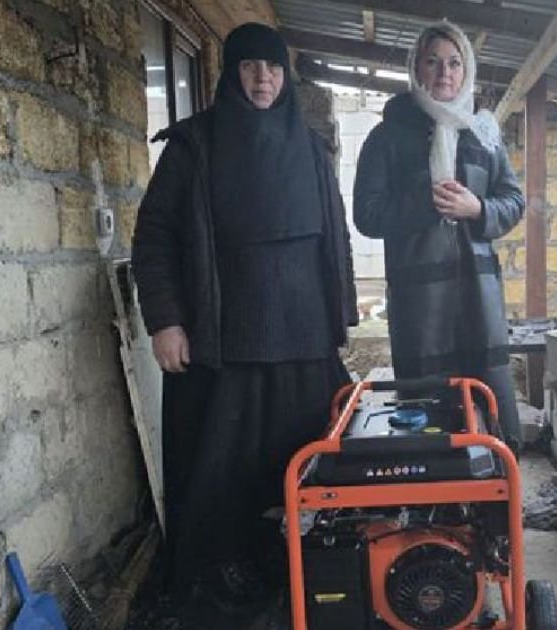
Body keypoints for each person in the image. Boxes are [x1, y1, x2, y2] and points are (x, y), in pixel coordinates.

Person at [131, 22, 358, 621]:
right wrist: (165, 322)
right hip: (221, 349)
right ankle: (216, 595)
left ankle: (309, 580)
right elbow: (153, 238)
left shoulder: (311, 149)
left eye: (274, 68)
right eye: (251, 67)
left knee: (305, 469)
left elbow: (334, 237)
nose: (263, 79)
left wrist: (341, 317)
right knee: (219, 479)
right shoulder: (193, 147)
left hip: (304, 348)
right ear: (230, 74)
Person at [354, 21, 525, 452]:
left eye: (454, 63)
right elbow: (367, 215)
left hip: (479, 298)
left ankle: (494, 488)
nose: (444, 73)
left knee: (488, 408)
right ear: (416, 69)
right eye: (432, 62)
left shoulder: (484, 134)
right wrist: (422, 205)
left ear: (466, 71)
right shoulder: (388, 137)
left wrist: (478, 209)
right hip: (420, 303)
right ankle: (435, 490)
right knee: (428, 414)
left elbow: (513, 201)